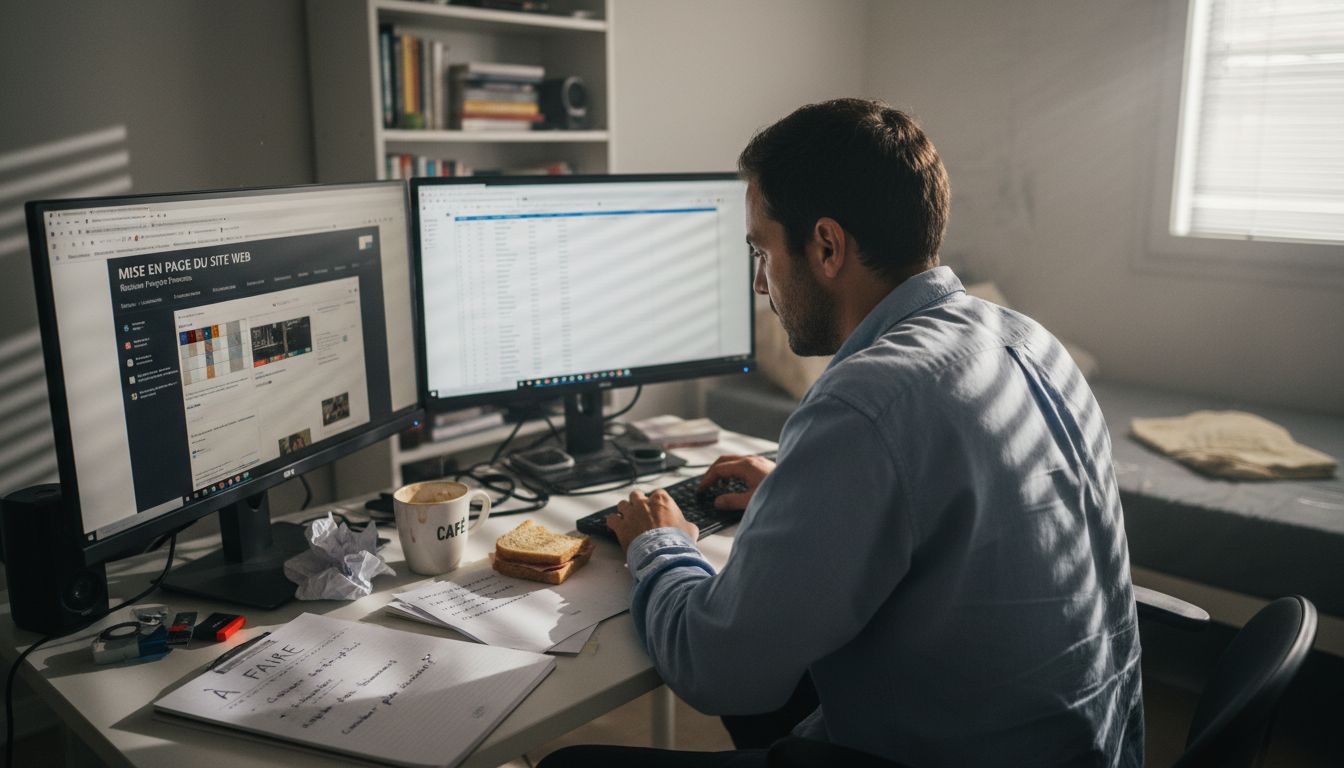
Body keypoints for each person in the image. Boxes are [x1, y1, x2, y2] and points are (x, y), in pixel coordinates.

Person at [540, 98, 1142, 768]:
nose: (761, 283)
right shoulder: (1029, 339)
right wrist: (802, 492)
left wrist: (659, 545)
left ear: (826, 245)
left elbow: (714, 670)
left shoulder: (866, 403)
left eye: (761, 252)